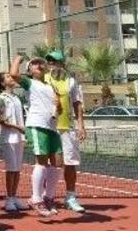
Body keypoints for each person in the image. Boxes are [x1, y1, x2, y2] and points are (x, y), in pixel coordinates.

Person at [8, 54, 62, 217]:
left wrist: (58, 107)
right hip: (37, 125)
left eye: (41, 63)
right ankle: (36, 198)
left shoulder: (52, 87)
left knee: (58, 162)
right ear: (29, 71)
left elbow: (58, 108)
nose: (39, 65)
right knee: (42, 161)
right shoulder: (30, 83)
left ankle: (49, 197)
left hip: (52, 127)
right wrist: (18, 58)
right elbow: (14, 75)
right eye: (34, 64)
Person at [44, 50, 87, 213]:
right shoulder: (43, 79)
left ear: (62, 63)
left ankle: (70, 197)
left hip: (67, 127)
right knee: (50, 164)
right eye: (49, 61)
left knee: (70, 163)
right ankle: (47, 198)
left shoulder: (71, 81)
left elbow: (77, 103)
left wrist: (81, 125)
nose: (51, 64)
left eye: (54, 61)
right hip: (48, 127)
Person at [0, 72, 28, 212]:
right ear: (2, 83)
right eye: (8, 77)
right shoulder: (2, 98)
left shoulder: (16, 97)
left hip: (20, 138)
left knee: (17, 169)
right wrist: (17, 127)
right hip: (9, 138)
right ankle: (8, 199)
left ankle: (14, 196)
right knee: (11, 169)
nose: (11, 78)